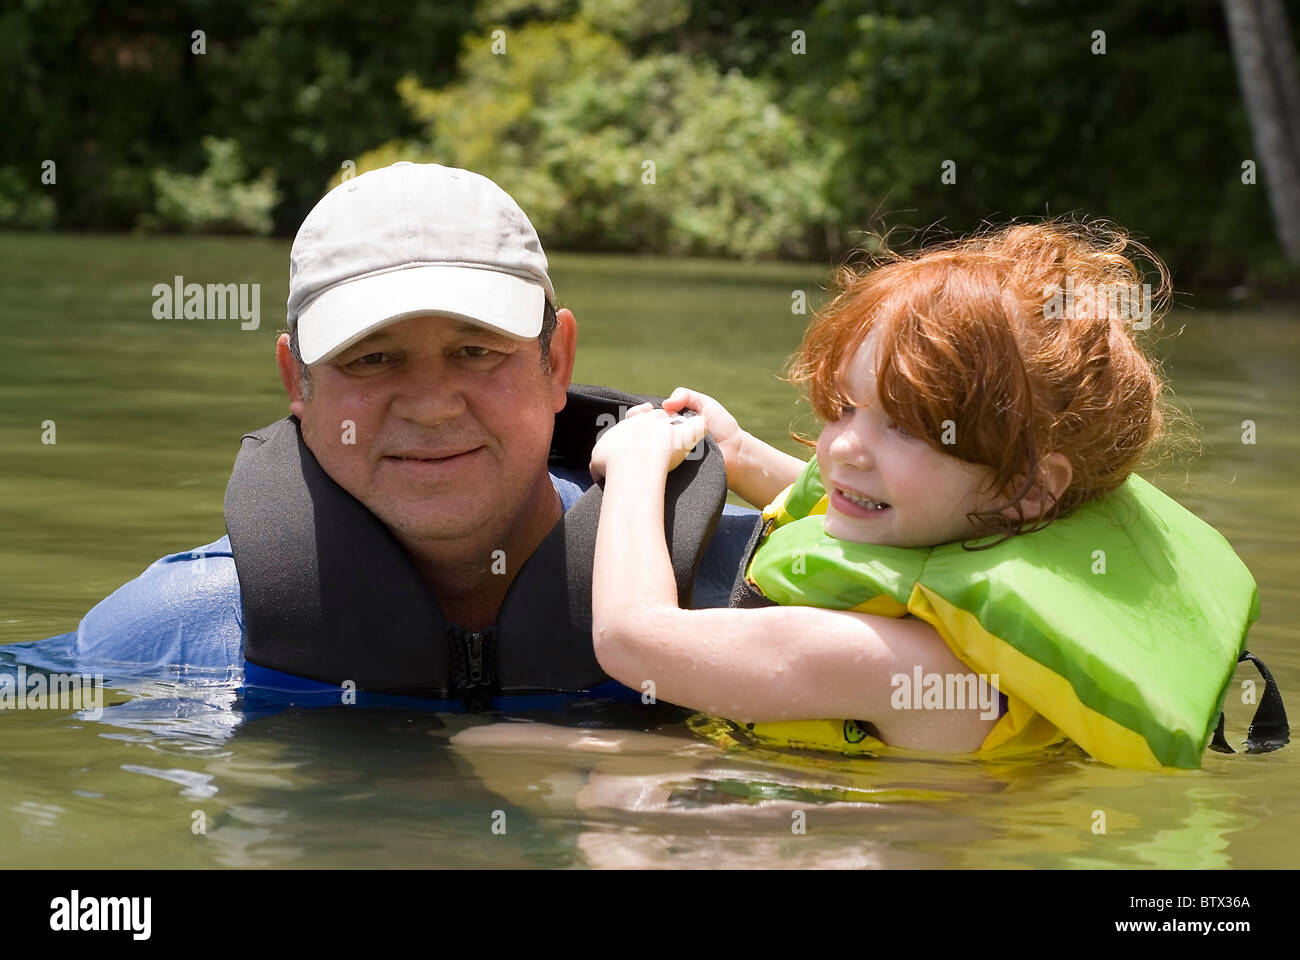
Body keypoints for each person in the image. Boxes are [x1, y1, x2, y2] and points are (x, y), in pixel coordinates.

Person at [8, 162, 759, 711]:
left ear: (555, 361)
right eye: (372, 358)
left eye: (476, 351)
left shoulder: (747, 593)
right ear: (295, 382)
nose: (430, 406)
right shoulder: (173, 629)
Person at [588, 221, 1279, 771]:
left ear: (1032, 490)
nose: (844, 450)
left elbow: (633, 639)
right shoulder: (1014, 537)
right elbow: (905, 516)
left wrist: (636, 466)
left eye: (908, 431)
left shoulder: (880, 659)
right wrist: (738, 455)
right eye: (842, 408)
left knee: (545, 765)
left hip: (839, 838)